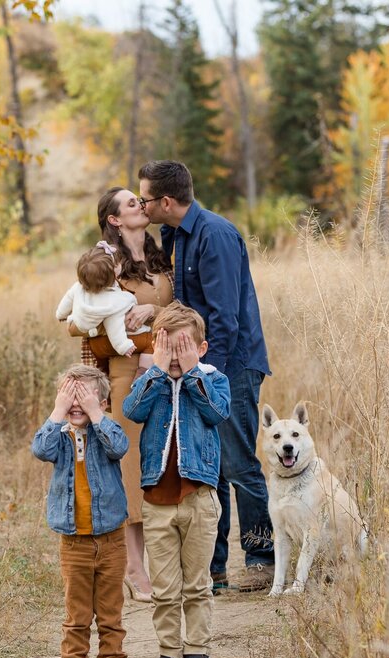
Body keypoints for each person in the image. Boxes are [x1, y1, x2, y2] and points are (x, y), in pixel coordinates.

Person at [137, 160, 275, 593]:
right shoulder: (174, 236)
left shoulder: (214, 235)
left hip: (230, 366)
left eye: (144, 198)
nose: (141, 204)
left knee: (237, 464)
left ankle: (261, 558)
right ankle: (213, 570)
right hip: (201, 366)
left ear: (165, 201)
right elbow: (188, 308)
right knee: (209, 468)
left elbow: (223, 318)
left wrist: (204, 375)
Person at [68, 188, 175, 603]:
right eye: (131, 203)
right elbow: (76, 323)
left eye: (140, 201)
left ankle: (155, 561)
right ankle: (133, 565)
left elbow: (177, 306)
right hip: (126, 373)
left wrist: (156, 314)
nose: (141, 206)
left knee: (158, 460)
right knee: (131, 466)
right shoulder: (104, 262)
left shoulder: (158, 255)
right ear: (114, 219)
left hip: (165, 370)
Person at [122, 303, 230, 658]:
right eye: (167, 346)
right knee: (166, 588)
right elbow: (131, 410)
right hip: (157, 502)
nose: (175, 356)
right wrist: (157, 369)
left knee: (197, 585)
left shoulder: (214, 380)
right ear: (156, 346)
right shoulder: (150, 382)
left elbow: (218, 414)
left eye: (183, 346)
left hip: (199, 499)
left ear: (201, 349)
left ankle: (197, 655)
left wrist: (192, 374)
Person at [30, 364, 133, 658]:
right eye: (69, 396)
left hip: (112, 541)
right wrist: (59, 411)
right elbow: (39, 449)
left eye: (85, 397)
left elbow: (119, 447)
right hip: (74, 543)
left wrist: (94, 413)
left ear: (102, 403)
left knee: (110, 612)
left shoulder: (108, 431)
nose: (77, 404)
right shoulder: (58, 438)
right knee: (77, 613)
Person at [55, 243, 153, 373]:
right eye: (118, 264)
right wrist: (123, 346)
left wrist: (60, 315)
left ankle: (103, 372)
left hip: (91, 340)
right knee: (151, 341)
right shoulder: (116, 300)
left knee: (102, 368)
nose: (121, 265)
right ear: (114, 271)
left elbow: (67, 300)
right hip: (111, 343)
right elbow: (114, 325)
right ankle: (142, 376)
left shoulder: (78, 287)